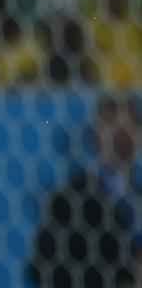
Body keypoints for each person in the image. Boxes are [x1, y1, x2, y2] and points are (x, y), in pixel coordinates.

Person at [27, 94, 141, 288]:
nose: (121, 133)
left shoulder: (136, 193)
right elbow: (41, 268)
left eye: (131, 124)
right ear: (96, 132)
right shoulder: (68, 199)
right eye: (110, 122)